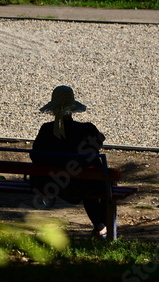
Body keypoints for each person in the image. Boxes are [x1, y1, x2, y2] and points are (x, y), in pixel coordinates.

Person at [30, 85, 108, 239]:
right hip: (81, 184)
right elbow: (96, 147)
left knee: (89, 184)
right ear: (72, 108)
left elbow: (36, 156)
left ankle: (101, 226)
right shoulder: (86, 130)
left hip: (51, 184)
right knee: (101, 185)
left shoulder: (46, 130)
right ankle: (101, 226)